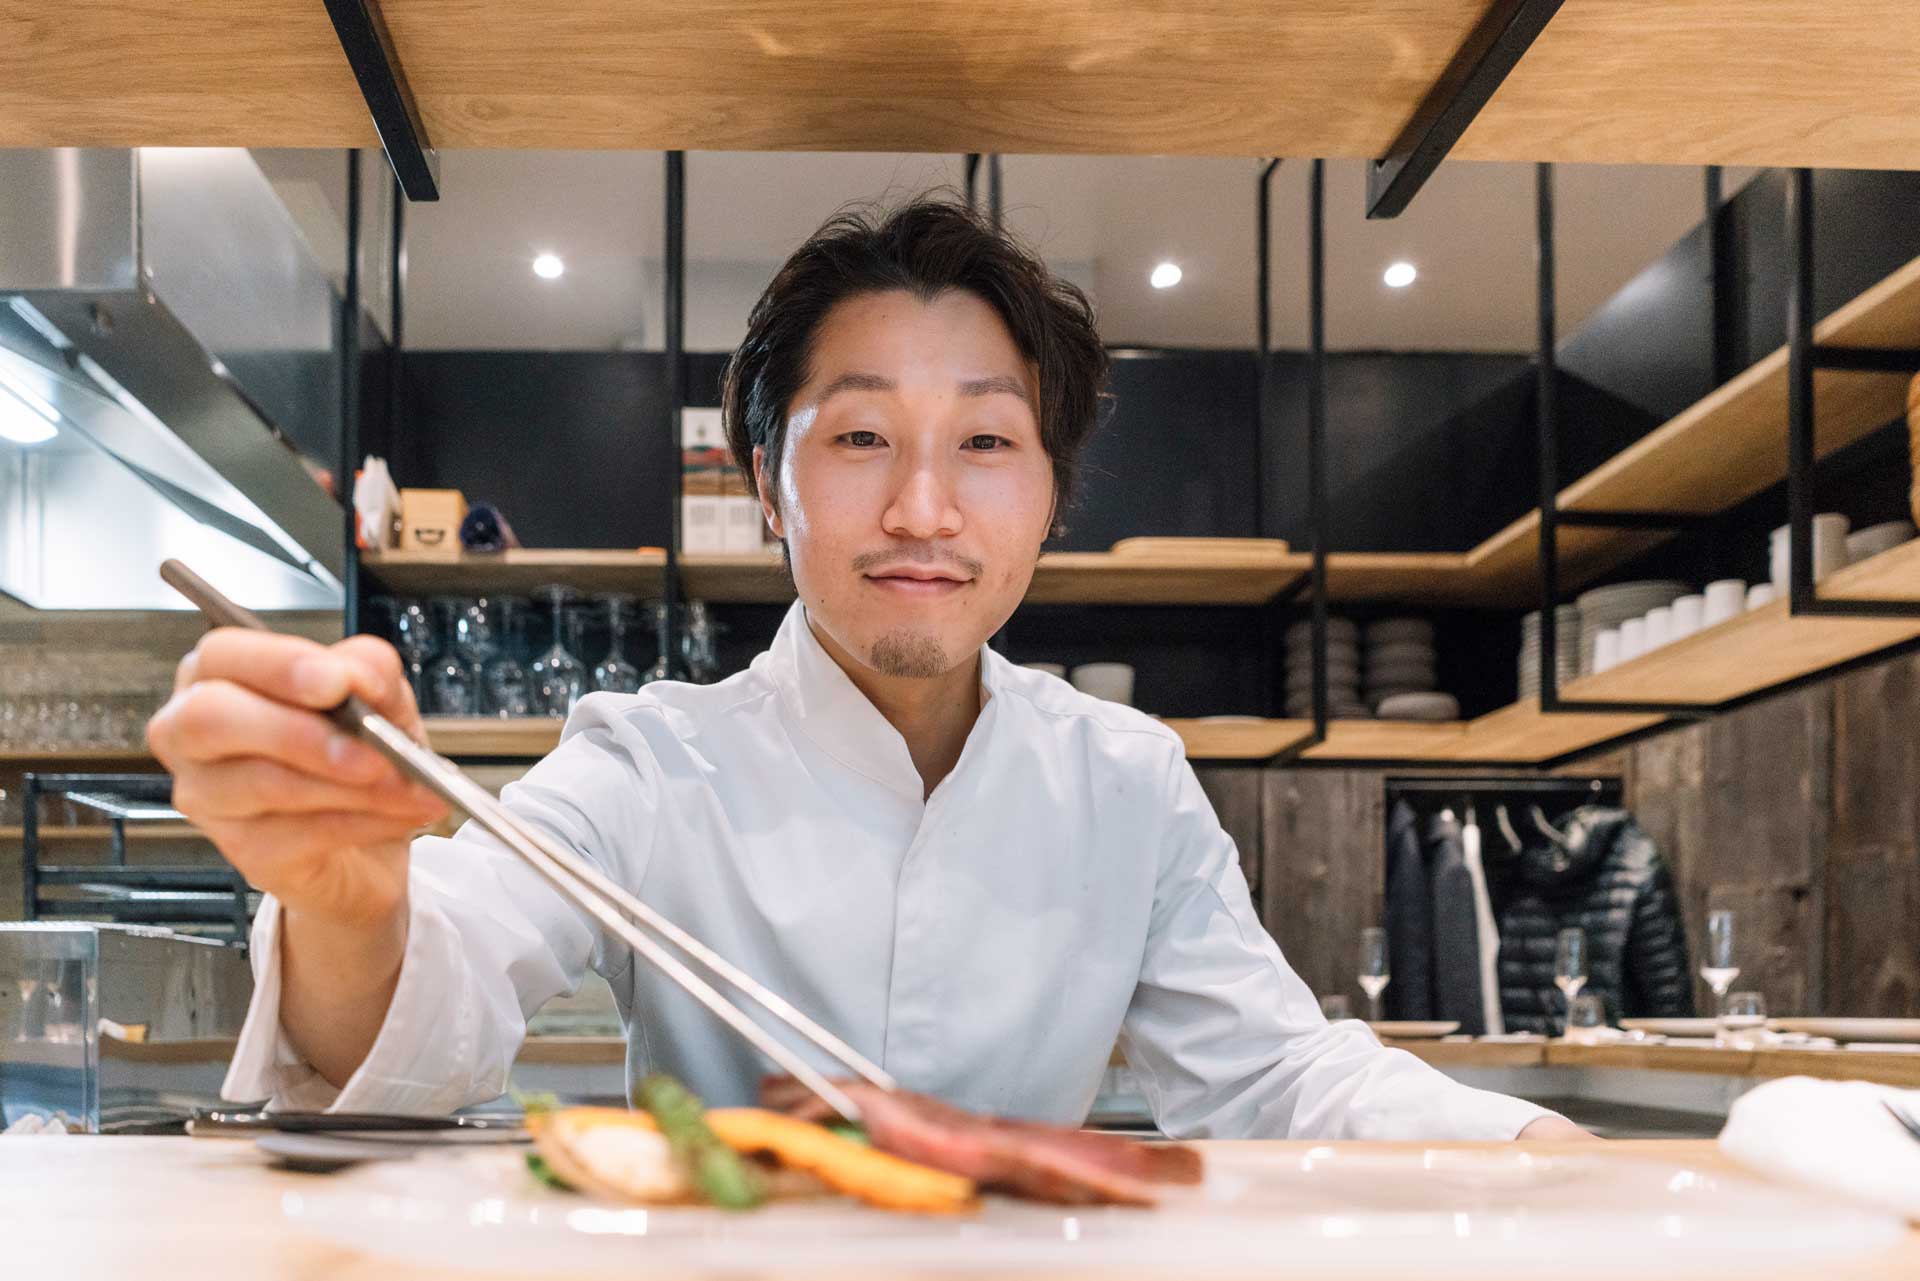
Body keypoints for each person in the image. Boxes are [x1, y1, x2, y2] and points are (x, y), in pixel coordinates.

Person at [148, 197, 1587, 1141]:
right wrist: (349, 905)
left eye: (987, 442)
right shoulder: (648, 759)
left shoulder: (1127, 780)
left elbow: (1276, 1073)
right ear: (767, 486)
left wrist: (1531, 1143)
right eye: (858, 438)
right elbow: (440, 986)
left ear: (1051, 495)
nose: (922, 508)